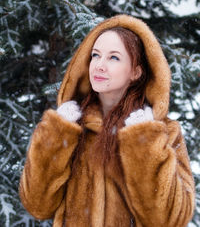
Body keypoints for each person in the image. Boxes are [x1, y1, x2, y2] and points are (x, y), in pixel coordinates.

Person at [19, 14, 195, 227]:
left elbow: (169, 220)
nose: (99, 66)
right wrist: (57, 135)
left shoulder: (163, 132)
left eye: (114, 57)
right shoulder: (70, 126)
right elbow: (37, 205)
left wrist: (144, 142)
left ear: (136, 71)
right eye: (95, 55)